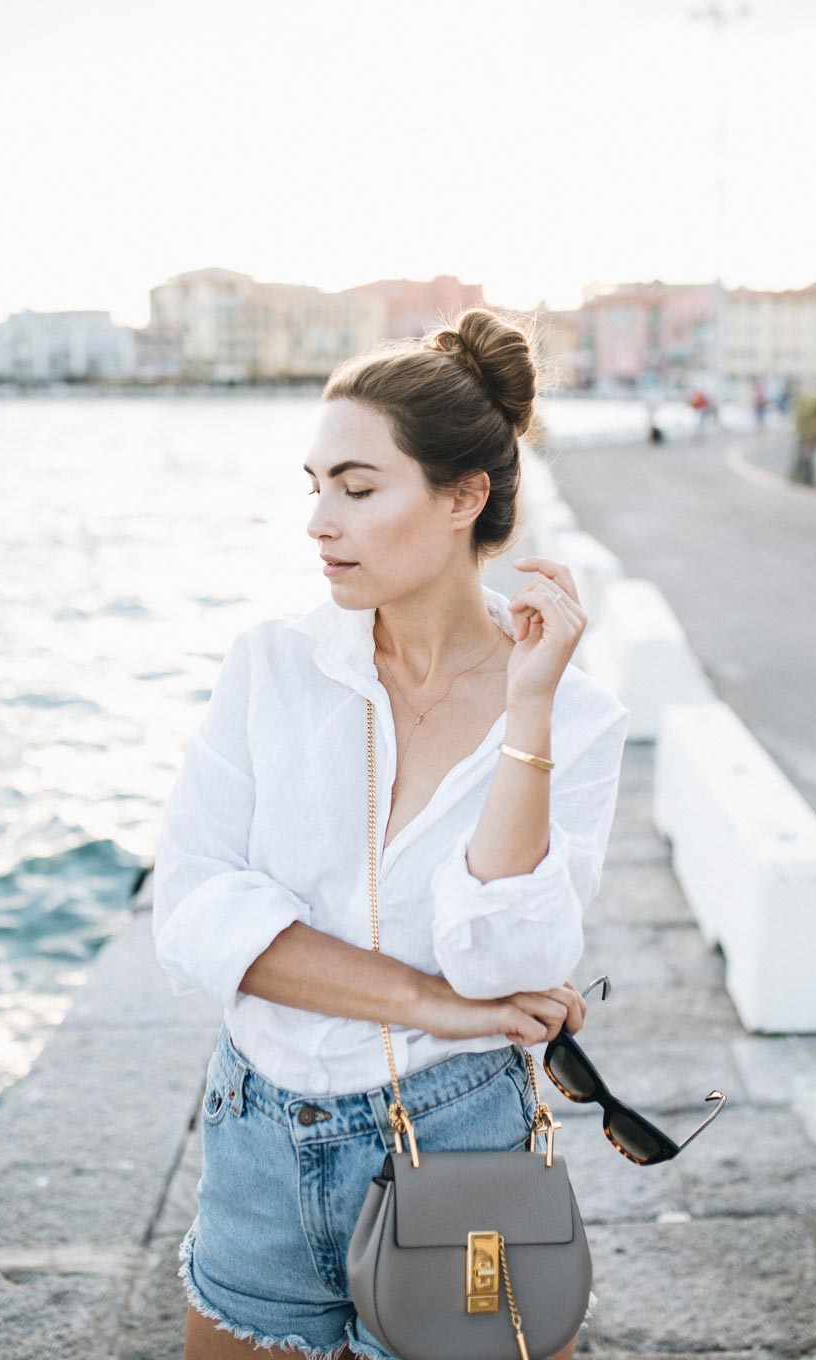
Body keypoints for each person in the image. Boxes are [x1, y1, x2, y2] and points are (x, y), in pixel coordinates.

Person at [152, 307, 631, 1360]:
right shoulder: (271, 665)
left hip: (463, 1134)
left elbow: (513, 956)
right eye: (314, 486)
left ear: (464, 497)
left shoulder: (577, 720)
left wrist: (530, 711)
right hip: (259, 1139)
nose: (320, 521)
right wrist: (429, 1002)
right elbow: (189, 906)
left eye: (359, 489)